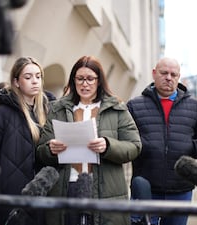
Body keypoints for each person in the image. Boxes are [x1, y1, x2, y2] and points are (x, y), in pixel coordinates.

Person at [36, 55, 142, 225]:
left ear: (99, 81)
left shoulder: (116, 108)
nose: (85, 84)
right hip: (67, 186)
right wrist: (50, 149)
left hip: (105, 188)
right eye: (80, 79)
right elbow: (41, 151)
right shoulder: (58, 108)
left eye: (90, 79)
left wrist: (108, 145)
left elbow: (134, 146)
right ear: (73, 80)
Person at [127, 57, 197, 225]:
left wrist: (191, 147)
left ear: (178, 77)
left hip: (181, 190)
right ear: (154, 73)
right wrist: (139, 146)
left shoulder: (194, 106)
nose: (169, 77)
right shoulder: (134, 106)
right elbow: (124, 137)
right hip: (145, 188)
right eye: (164, 73)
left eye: (173, 74)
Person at [0, 57, 50, 225]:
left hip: (43, 200)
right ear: (16, 81)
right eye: (28, 77)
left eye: (38, 76)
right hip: (10, 201)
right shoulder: (2, 114)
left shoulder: (48, 112)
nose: (35, 81)